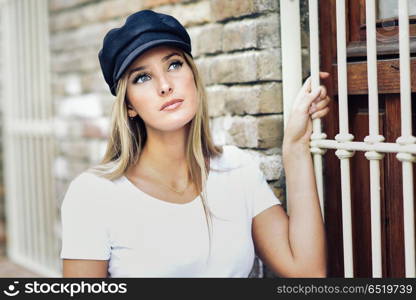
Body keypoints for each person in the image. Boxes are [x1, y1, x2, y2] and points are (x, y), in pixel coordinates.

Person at [60, 9, 331, 278]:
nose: (165, 85)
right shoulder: (93, 195)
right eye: (142, 77)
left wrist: (295, 148)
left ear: (193, 75)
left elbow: (307, 271)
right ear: (129, 104)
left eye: (174, 65)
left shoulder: (238, 170)